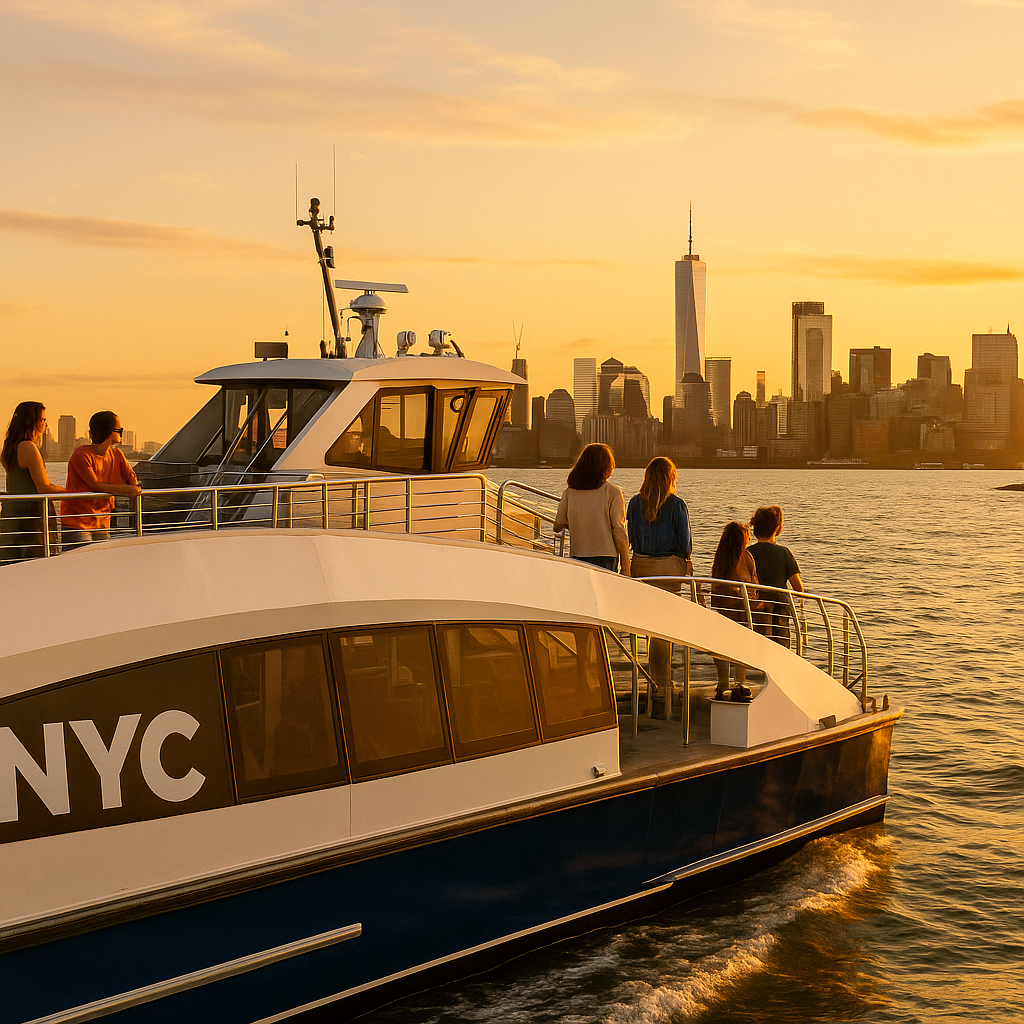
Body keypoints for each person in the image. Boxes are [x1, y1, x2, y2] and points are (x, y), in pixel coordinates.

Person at [626, 457, 693, 717]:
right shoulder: (676, 505)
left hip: (642, 567)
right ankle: (664, 683)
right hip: (668, 569)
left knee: (652, 628)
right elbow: (685, 544)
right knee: (667, 627)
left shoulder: (633, 503)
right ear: (670, 478)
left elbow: (630, 538)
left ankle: (656, 681)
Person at [61, 411, 141, 550]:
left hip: (103, 521)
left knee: (100, 565)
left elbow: (131, 477)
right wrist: (126, 490)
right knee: (79, 565)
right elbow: (94, 484)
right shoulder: (81, 455)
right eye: (119, 430)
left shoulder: (116, 454)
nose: (122, 434)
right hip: (78, 522)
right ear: (108, 431)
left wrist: (132, 483)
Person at [1, 403, 65, 564]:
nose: (45, 422)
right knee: (35, 564)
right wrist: (74, 491)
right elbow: (44, 487)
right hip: (31, 516)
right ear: (33, 421)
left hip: (12, 513)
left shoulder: (9, 446)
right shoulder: (28, 447)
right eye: (43, 419)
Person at [554, 443, 630, 575]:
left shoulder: (570, 493)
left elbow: (557, 525)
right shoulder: (613, 493)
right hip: (606, 556)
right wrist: (626, 566)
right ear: (607, 466)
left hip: (577, 554)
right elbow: (619, 531)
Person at [710, 520, 763, 700]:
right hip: (742, 610)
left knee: (722, 646)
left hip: (724, 611)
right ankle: (740, 682)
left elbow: (715, 587)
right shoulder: (746, 557)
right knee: (741, 646)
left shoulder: (720, 558)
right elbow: (754, 585)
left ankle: (723, 682)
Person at [748, 505, 805, 647]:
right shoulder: (784, 553)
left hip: (754, 611)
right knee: (780, 651)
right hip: (779, 612)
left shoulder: (747, 553)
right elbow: (799, 588)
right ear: (778, 528)